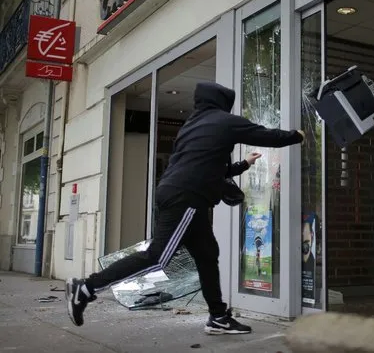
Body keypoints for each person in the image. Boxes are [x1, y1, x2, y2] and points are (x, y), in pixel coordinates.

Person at [65, 81, 305, 335]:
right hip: (187, 198)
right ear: (223, 102)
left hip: (183, 196)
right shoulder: (224, 121)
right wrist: (297, 136)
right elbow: (266, 135)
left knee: (207, 255)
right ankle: (87, 288)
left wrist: (244, 164)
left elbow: (212, 169)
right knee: (157, 257)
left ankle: (218, 317)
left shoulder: (191, 126)